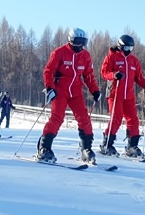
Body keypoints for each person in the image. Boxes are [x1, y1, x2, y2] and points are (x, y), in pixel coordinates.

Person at [37, 28, 101, 164]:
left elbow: (88, 75)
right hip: (60, 90)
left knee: (84, 118)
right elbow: (48, 71)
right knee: (57, 118)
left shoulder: (85, 56)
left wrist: (94, 90)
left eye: (83, 42)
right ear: (71, 40)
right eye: (78, 42)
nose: (80, 45)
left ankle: (86, 148)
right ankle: (44, 147)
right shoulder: (59, 53)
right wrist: (50, 88)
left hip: (76, 92)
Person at [99, 35, 145, 159]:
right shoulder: (112, 57)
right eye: (127, 47)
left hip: (128, 95)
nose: (129, 49)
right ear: (121, 46)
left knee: (133, 120)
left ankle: (132, 146)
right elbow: (104, 72)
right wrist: (114, 75)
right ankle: (107, 144)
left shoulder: (133, 60)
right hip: (115, 93)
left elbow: (138, 77)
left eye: (131, 47)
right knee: (116, 118)